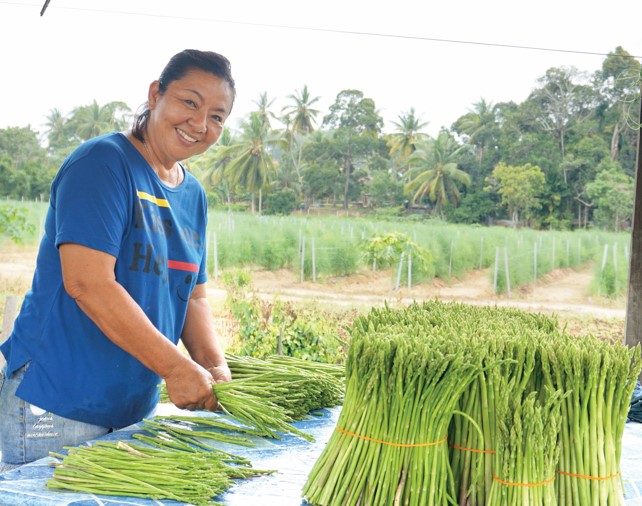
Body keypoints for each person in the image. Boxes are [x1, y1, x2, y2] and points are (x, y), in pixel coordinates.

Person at [0, 49, 236, 472]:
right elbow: (88, 283)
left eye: (217, 116)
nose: (200, 125)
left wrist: (213, 368)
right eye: (190, 102)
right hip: (59, 404)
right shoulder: (103, 164)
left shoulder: (193, 195)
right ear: (155, 95)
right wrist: (175, 367)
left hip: (131, 407)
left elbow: (192, 297)